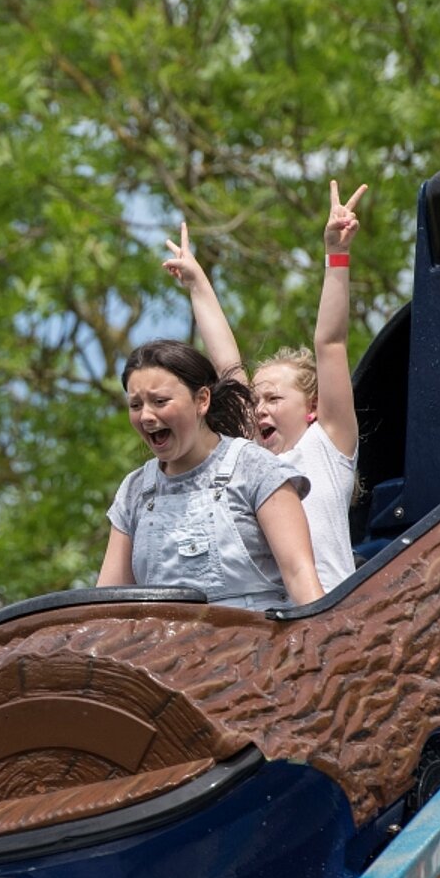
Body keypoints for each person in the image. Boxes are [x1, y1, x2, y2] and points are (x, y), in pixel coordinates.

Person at [160, 182, 368, 593]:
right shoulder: (250, 461)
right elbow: (226, 366)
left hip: (333, 618)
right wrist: (198, 284)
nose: (259, 409)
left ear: (312, 407)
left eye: (274, 398)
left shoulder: (326, 447)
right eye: (256, 401)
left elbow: (330, 343)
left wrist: (337, 254)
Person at [97, 340, 325, 609]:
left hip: (256, 645)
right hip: (165, 647)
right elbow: (106, 605)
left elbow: (300, 576)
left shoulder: (255, 468)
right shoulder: (136, 490)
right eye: (135, 405)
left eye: (160, 401)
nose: (146, 415)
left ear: (202, 400)